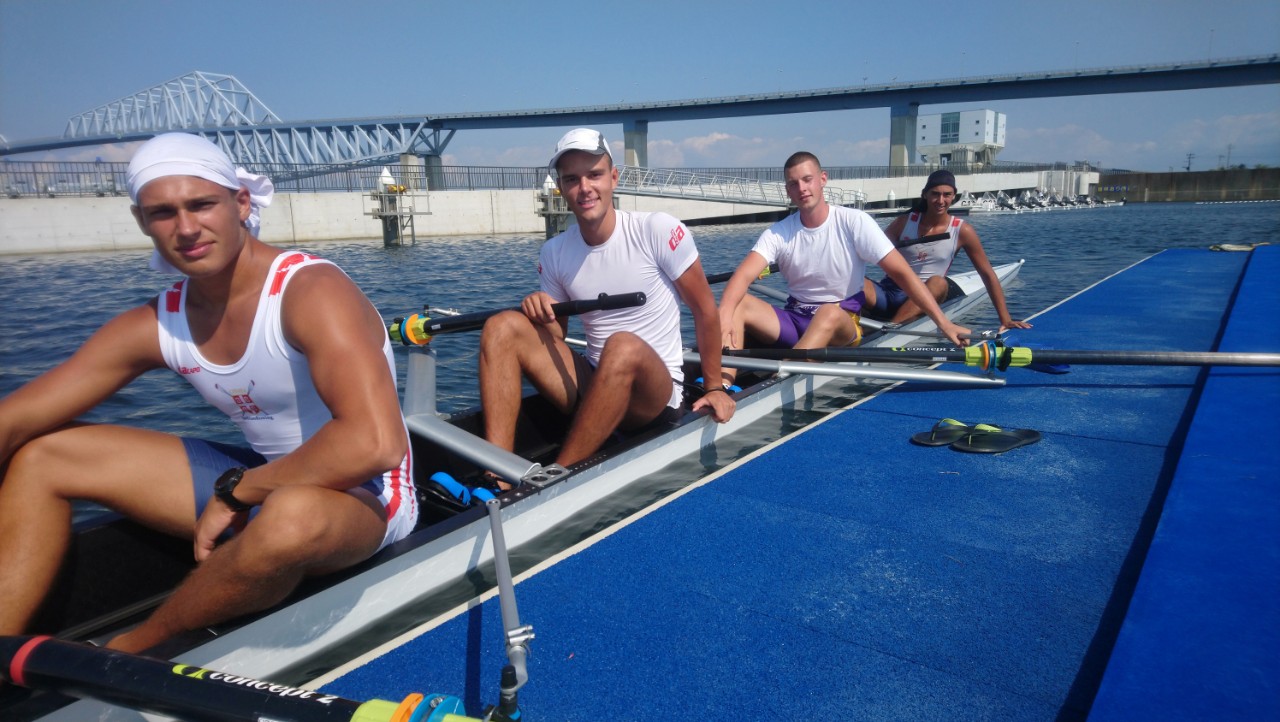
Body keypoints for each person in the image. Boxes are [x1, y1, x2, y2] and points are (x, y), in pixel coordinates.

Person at [0, 133, 417, 653]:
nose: (186, 228)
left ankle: (133, 649)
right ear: (141, 221)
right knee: (43, 456)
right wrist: (245, 489)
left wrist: (236, 493)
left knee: (291, 517)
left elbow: (374, 445)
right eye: (163, 213)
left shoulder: (310, 291)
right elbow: (15, 419)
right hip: (263, 479)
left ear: (240, 203)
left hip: (368, 495)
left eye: (201, 205)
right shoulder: (160, 321)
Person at [478, 128, 735, 482]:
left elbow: (705, 310)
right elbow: (556, 337)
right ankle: (497, 474)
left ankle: (556, 478)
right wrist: (539, 310)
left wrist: (714, 387)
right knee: (501, 326)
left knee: (622, 345)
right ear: (561, 187)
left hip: (655, 396)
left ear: (613, 178)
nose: (584, 188)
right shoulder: (554, 252)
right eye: (572, 179)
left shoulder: (656, 230)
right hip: (595, 381)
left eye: (594, 175)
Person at [718, 152, 969, 381]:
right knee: (738, 303)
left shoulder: (854, 222)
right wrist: (725, 316)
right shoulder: (778, 232)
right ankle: (722, 385)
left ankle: (780, 376)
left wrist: (943, 324)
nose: (802, 188)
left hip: (841, 324)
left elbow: (902, 273)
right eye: (794, 184)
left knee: (827, 311)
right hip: (796, 318)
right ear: (788, 190)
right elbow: (741, 277)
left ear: (822, 179)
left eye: (807, 180)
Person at [864, 169, 1031, 331]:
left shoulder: (962, 231)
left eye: (947, 195)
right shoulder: (904, 222)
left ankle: (889, 330)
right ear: (925, 194)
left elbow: (987, 274)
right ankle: (854, 323)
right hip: (889, 292)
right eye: (935, 194)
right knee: (856, 279)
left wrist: (1005, 319)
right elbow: (869, 250)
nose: (941, 200)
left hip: (926, 296)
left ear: (953, 197)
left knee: (939, 283)